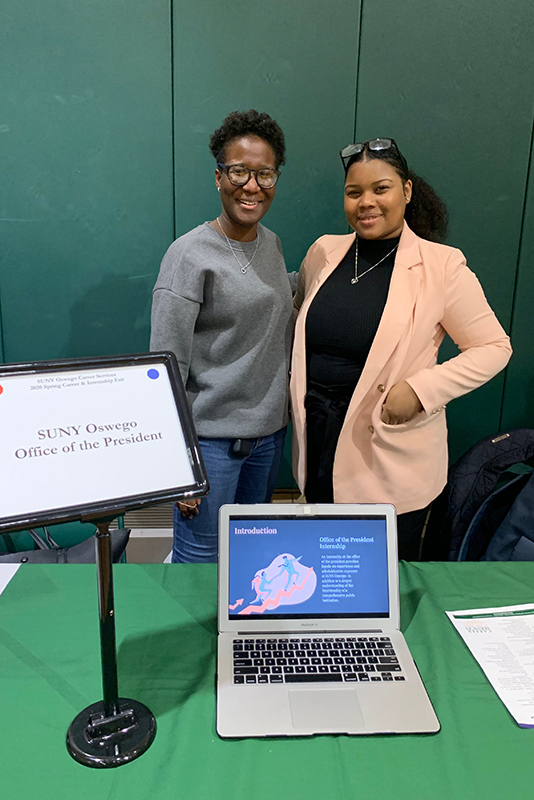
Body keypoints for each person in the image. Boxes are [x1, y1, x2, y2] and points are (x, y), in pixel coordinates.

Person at [290, 138, 512, 560]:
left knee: (381, 581)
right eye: (354, 192)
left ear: (407, 191)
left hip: (387, 453)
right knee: (322, 567)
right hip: (318, 439)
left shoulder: (443, 266)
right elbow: (300, 323)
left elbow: (494, 346)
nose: (366, 202)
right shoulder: (323, 252)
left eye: (381, 188)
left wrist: (423, 390)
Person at [150, 110, 293, 562]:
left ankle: (241, 638)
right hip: (211, 447)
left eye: (264, 173)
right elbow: (164, 368)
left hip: (268, 440)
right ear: (218, 177)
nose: (251, 186)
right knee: (199, 567)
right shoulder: (188, 255)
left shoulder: (270, 243)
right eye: (239, 171)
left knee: (252, 564)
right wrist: (180, 464)